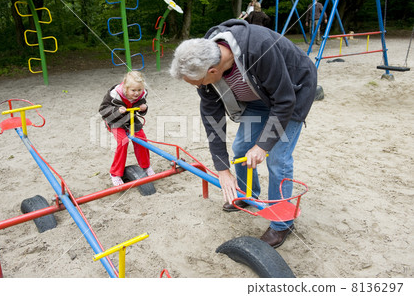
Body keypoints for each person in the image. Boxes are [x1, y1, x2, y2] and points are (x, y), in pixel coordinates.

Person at [170, 19, 317, 248]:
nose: (199, 88)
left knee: (277, 157)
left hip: (292, 94)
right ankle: (248, 195)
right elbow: (212, 119)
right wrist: (222, 169)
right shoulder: (208, 67)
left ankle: (282, 223)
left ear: (212, 70)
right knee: (240, 149)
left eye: (198, 83)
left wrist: (262, 146)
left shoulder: (259, 48)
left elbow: (284, 101)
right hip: (258, 98)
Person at [99, 71, 155, 186]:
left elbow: (140, 104)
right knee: (123, 142)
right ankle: (115, 173)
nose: (136, 93)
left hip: (131, 119)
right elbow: (103, 110)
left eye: (139, 90)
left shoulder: (142, 94)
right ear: (125, 87)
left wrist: (143, 108)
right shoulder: (114, 94)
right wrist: (116, 110)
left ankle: (145, 166)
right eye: (133, 90)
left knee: (142, 139)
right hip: (115, 121)